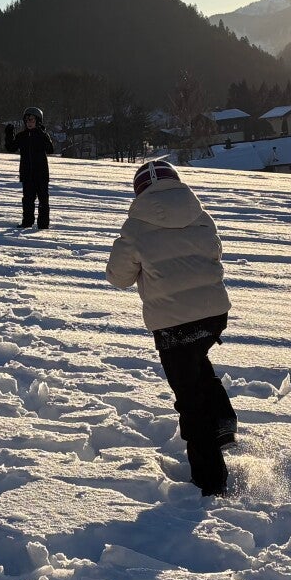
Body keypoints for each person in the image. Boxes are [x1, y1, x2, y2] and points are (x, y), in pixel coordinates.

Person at [105, 159, 238, 496]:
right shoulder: (201, 215)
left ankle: (210, 480)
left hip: (173, 324)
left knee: (189, 398)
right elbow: (215, 252)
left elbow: (119, 277)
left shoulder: (135, 226)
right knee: (197, 360)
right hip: (213, 314)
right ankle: (222, 418)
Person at [15, 105, 54, 229]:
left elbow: (50, 149)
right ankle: (27, 222)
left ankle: (43, 224)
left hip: (41, 175)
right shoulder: (22, 136)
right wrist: (9, 135)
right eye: (27, 120)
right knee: (27, 200)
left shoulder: (42, 135)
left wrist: (43, 135)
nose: (29, 122)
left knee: (43, 200)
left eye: (31, 119)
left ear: (38, 121)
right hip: (27, 174)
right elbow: (11, 147)